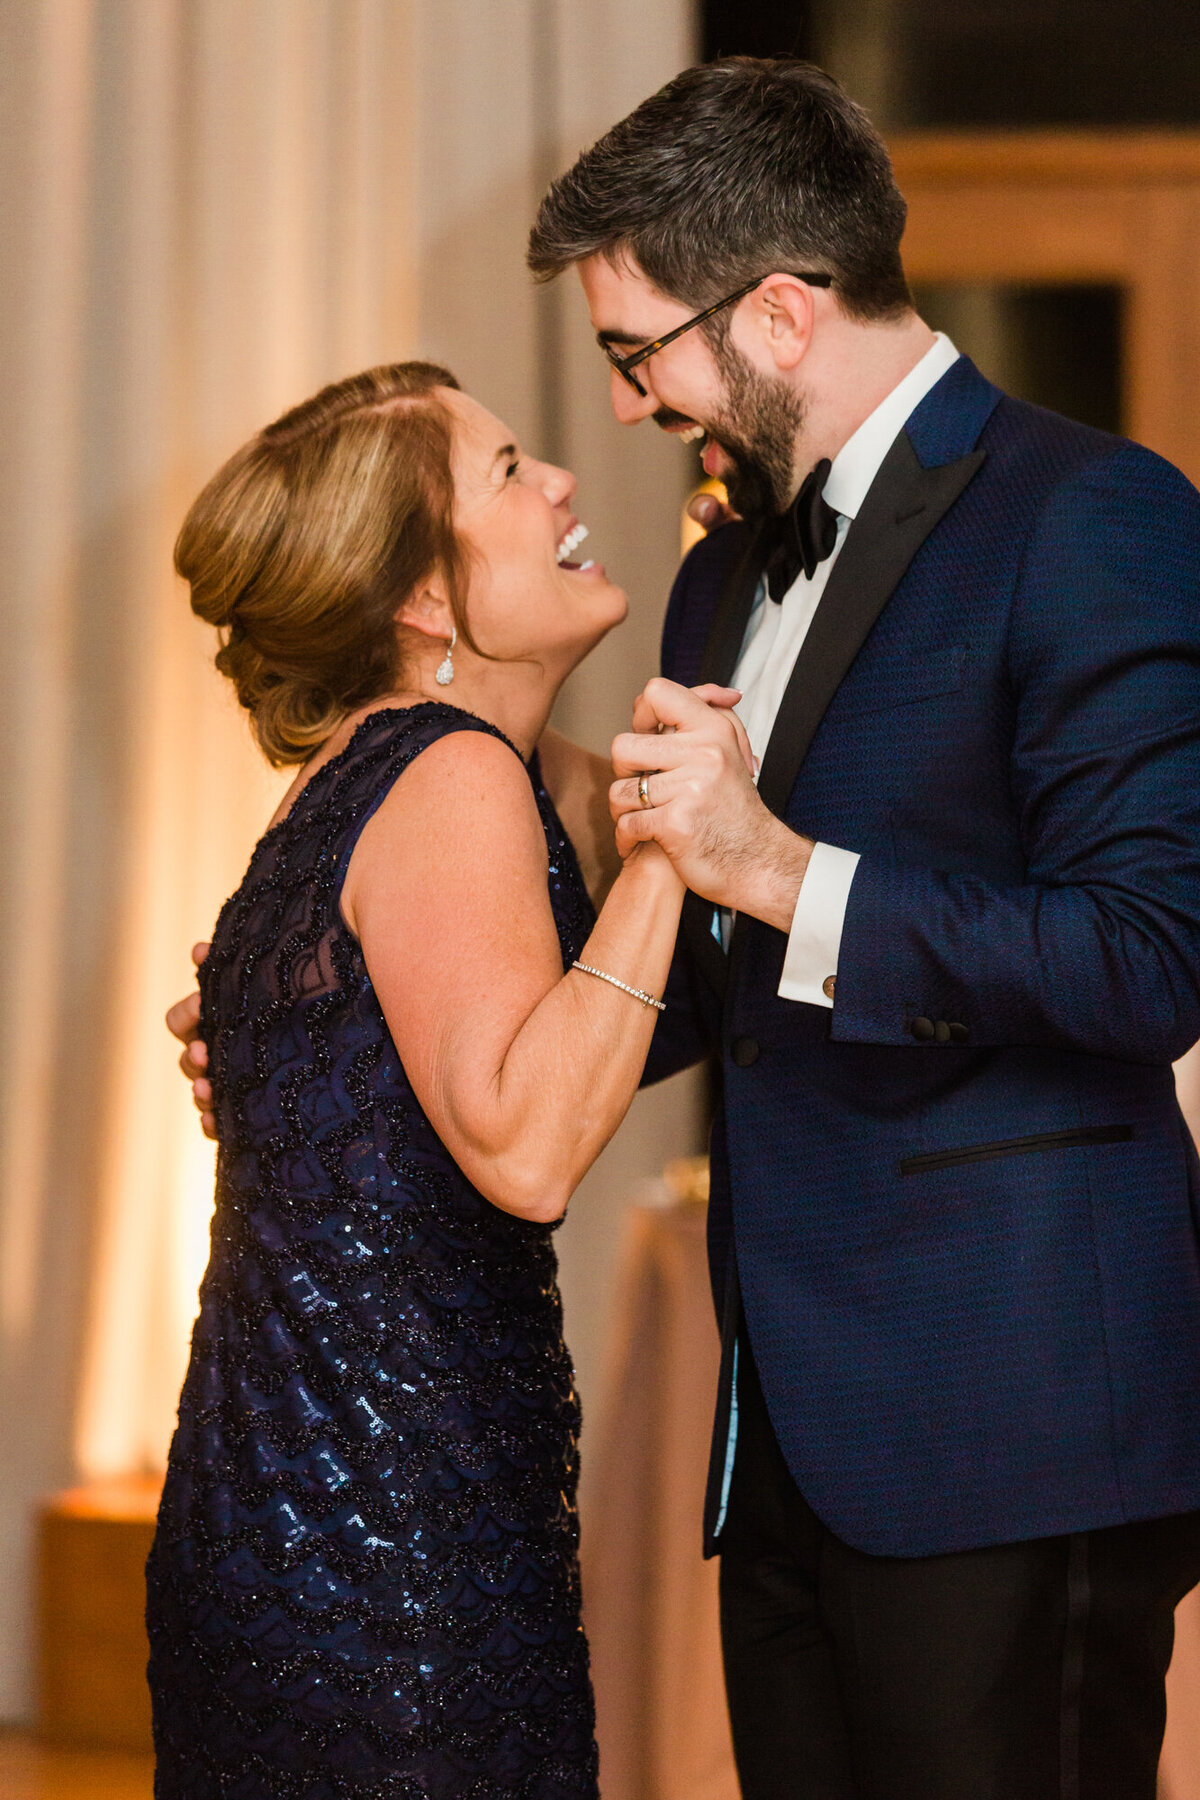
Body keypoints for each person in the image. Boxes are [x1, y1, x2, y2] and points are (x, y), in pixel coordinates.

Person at [518, 54, 1200, 1800]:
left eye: (638, 352)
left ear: (781, 313)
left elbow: (1151, 955)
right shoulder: (717, 571)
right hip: (793, 1438)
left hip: (1014, 1423)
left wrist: (783, 871)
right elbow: (709, 980)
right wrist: (368, 1031)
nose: (632, 406)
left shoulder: (1094, 515)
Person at [147, 359, 742, 1799]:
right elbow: (526, 1152)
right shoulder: (452, 772)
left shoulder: (375, 773)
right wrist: (679, 841)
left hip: (294, 1523)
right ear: (422, 600)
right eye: (507, 471)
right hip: (389, 1553)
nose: (559, 485)